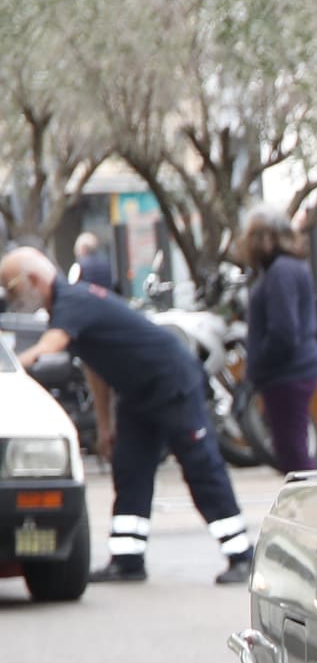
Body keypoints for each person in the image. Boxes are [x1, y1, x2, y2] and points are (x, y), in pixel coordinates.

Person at [1, 245, 252, 583]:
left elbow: (51, 346)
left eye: (11, 288)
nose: (11, 297)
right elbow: (95, 367)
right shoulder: (69, 307)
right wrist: (106, 424)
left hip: (170, 383)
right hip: (137, 393)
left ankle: (241, 555)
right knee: (130, 468)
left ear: (32, 279)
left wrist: (12, 368)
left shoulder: (72, 301)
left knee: (201, 467)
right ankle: (127, 559)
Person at [236, 210, 317, 473]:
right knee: (289, 449)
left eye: (252, 236)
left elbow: (284, 333)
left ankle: (311, 508)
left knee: (293, 453)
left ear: (267, 238)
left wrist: (257, 368)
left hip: (288, 373)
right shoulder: (288, 268)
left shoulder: (281, 272)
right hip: (291, 371)